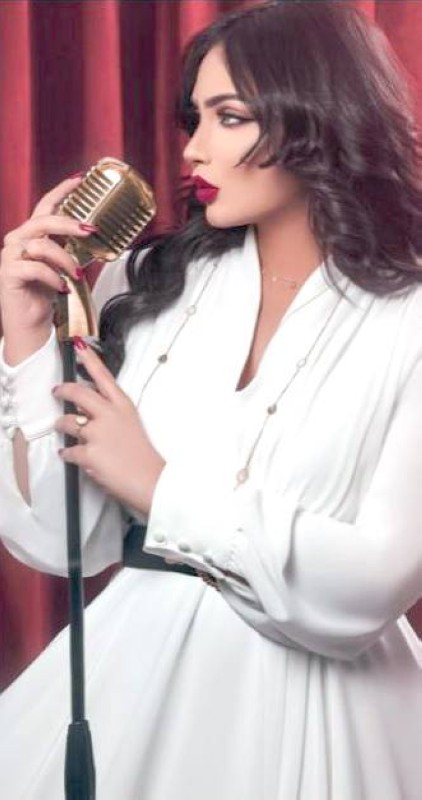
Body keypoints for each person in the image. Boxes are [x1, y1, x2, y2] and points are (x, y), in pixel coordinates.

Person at [0, 1, 421, 797]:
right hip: (134, 692)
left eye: (229, 117)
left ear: (320, 116)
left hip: (340, 723)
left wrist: (159, 487)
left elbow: (370, 586)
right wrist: (27, 342)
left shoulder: (411, 317)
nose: (193, 147)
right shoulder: (146, 285)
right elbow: (62, 542)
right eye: (194, 118)